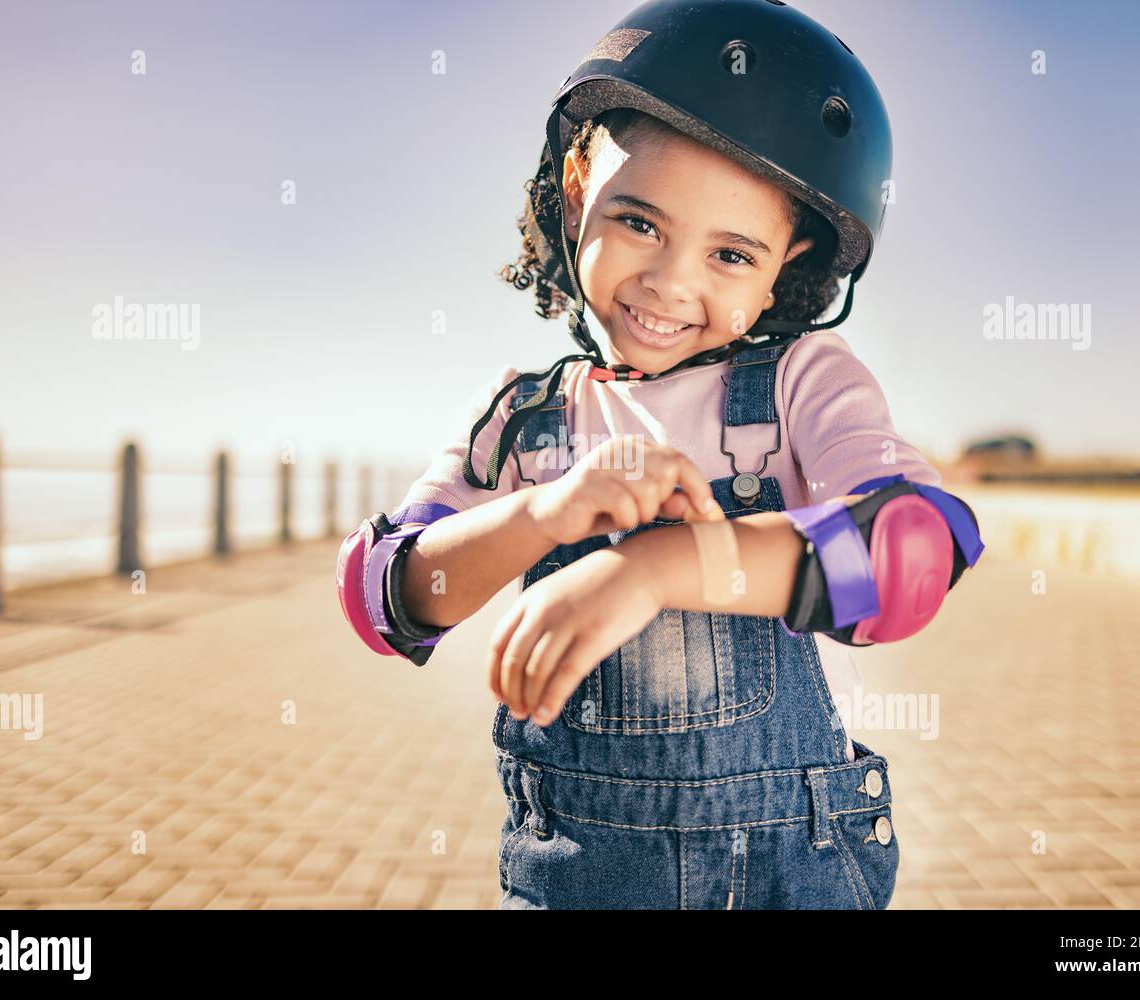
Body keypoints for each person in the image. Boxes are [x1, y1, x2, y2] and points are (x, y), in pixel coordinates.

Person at [336, 0, 984, 909]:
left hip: (784, 876)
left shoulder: (802, 385)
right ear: (573, 187)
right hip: (569, 878)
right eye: (640, 222)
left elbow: (910, 560)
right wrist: (541, 517)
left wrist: (655, 568)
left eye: (730, 253)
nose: (671, 282)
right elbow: (383, 599)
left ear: (785, 266)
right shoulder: (524, 420)